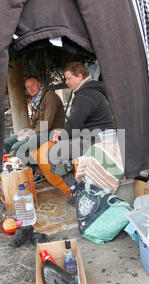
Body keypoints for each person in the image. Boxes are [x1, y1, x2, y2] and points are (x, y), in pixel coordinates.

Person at [48, 62, 115, 190]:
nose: (66, 82)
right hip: (97, 136)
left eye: (69, 78)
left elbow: (74, 123)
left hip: (96, 140)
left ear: (79, 77)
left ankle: (76, 189)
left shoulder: (86, 95)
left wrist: (61, 138)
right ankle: (71, 166)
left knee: (53, 153)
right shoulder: (90, 91)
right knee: (56, 137)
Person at [4, 76, 65, 164]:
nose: (30, 89)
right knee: (7, 142)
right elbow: (34, 123)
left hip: (52, 132)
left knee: (16, 147)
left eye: (33, 85)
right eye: (28, 87)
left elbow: (46, 124)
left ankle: (36, 170)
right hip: (39, 132)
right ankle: (18, 169)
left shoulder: (50, 96)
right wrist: (26, 133)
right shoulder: (37, 100)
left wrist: (30, 134)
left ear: (39, 84)